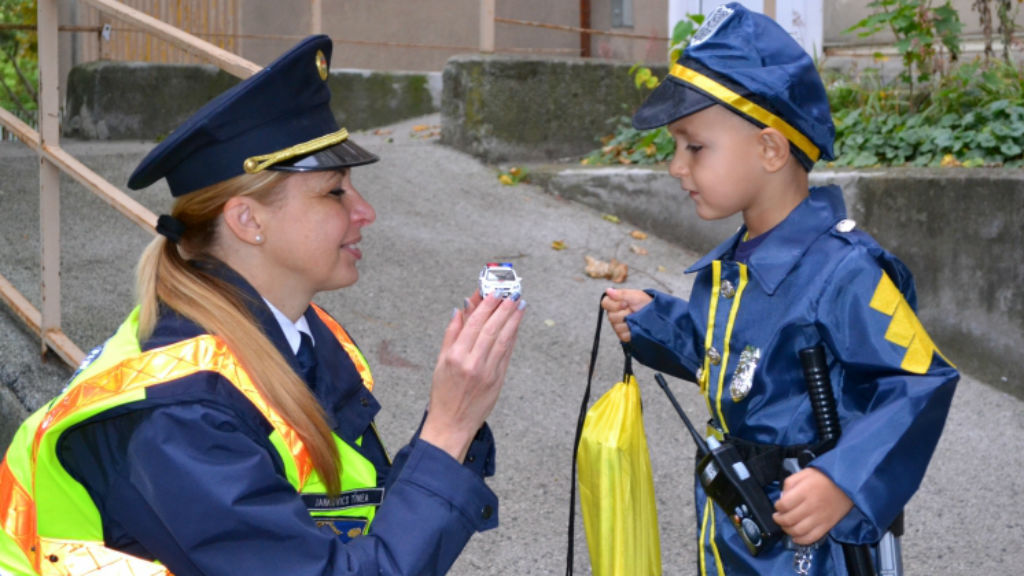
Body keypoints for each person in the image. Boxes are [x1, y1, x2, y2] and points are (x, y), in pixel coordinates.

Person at [0, 35, 526, 576]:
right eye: (335, 192)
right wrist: (447, 430)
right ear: (248, 221)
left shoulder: (286, 332)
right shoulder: (179, 417)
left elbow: (350, 523)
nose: (365, 211)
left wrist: (455, 427)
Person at [600, 4, 958, 575]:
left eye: (694, 146)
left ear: (770, 149)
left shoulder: (845, 272)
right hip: (740, 536)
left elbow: (920, 381)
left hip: (816, 552)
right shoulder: (740, 264)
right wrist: (654, 323)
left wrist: (843, 481)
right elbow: (742, 363)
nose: (676, 167)